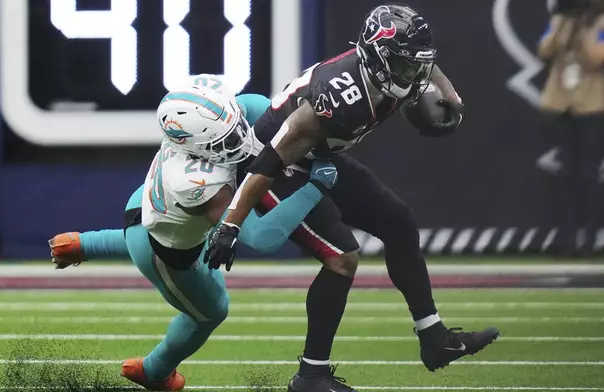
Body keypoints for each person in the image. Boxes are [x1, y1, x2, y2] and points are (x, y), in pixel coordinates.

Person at [204, 4, 499, 392]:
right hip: (277, 165)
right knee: (342, 258)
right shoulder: (336, 96)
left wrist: (450, 96)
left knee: (399, 222)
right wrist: (230, 222)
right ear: (378, 56)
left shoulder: (396, 66)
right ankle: (311, 376)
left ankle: (435, 339)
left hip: (319, 157)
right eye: (404, 65)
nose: (412, 76)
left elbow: (427, 65)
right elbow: (270, 160)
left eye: (415, 65)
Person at [49, 77, 339, 391]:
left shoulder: (202, 115)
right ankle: (153, 371)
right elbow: (260, 237)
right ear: (197, 147)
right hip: (163, 248)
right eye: (224, 142)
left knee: (165, 236)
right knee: (211, 312)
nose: (240, 139)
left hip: (145, 206)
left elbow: (253, 106)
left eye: (236, 126)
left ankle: (82, 245)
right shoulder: (200, 184)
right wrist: (315, 188)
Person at [538, 0, 604, 257]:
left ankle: (589, 238)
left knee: (588, 174)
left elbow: (595, 58)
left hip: (592, 106)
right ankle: (567, 239)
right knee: (565, 175)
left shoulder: (600, 24)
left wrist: (586, 31)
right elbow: (545, 49)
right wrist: (564, 29)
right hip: (560, 105)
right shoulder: (559, 22)